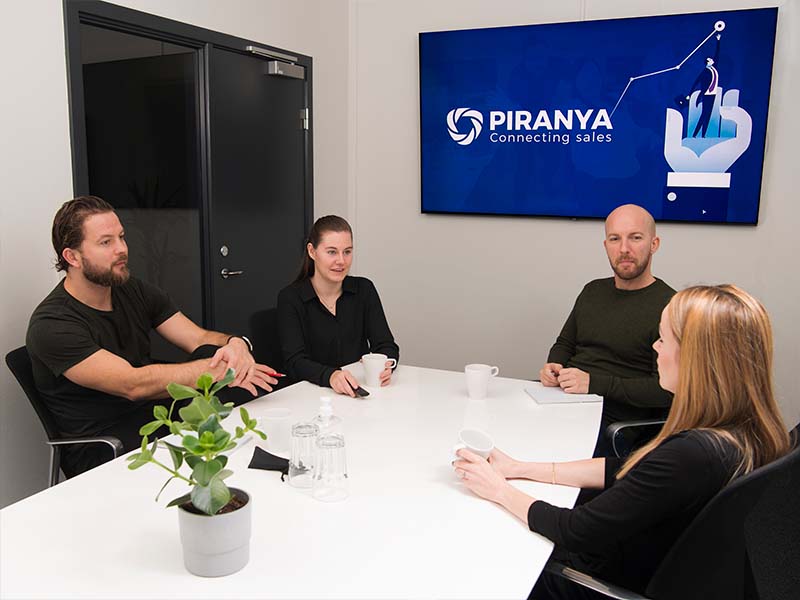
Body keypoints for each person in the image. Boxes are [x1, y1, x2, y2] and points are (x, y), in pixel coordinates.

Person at [455, 284, 792, 599]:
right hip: (654, 560)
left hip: (597, 581)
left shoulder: (690, 455)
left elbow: (574, 530)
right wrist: (520, 468)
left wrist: (498, 489)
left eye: (663, 340)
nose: (655, 348)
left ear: (695, 359)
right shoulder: (744, 432)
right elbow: (627, 469)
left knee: (478, 551)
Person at [26, 196, 278, 476]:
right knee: (218, 375)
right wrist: (219, 370)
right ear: (72, 257)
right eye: (106, 242)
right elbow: (132, 384)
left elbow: (198, 338)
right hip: (105, 444)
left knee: (217, 358)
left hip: (152, 417)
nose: (122, 249)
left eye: (122, 237)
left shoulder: (131, 289)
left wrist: (237, 345)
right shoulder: (52, 324)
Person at [539, 204, 675, 456]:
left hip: (613, 425)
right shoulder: (593, 290)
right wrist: (554, 366)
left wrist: (593, 383)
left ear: (654, 244)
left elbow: (666, 391)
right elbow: (565, 344)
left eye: (635, 238)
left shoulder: (671, 307)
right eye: (615, 239)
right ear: (606, 245)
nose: (624, 249)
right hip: (564, 401)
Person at [277, 215, 399, 396]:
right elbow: (294, 361)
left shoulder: (364, 289)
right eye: (332, 252)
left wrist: (386, 365)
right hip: (309, 395)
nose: (341, 261)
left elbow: (386, 345)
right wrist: (331, 376)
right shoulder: (291, 297)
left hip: (357, 389)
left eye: (347, 252)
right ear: (312, 251)